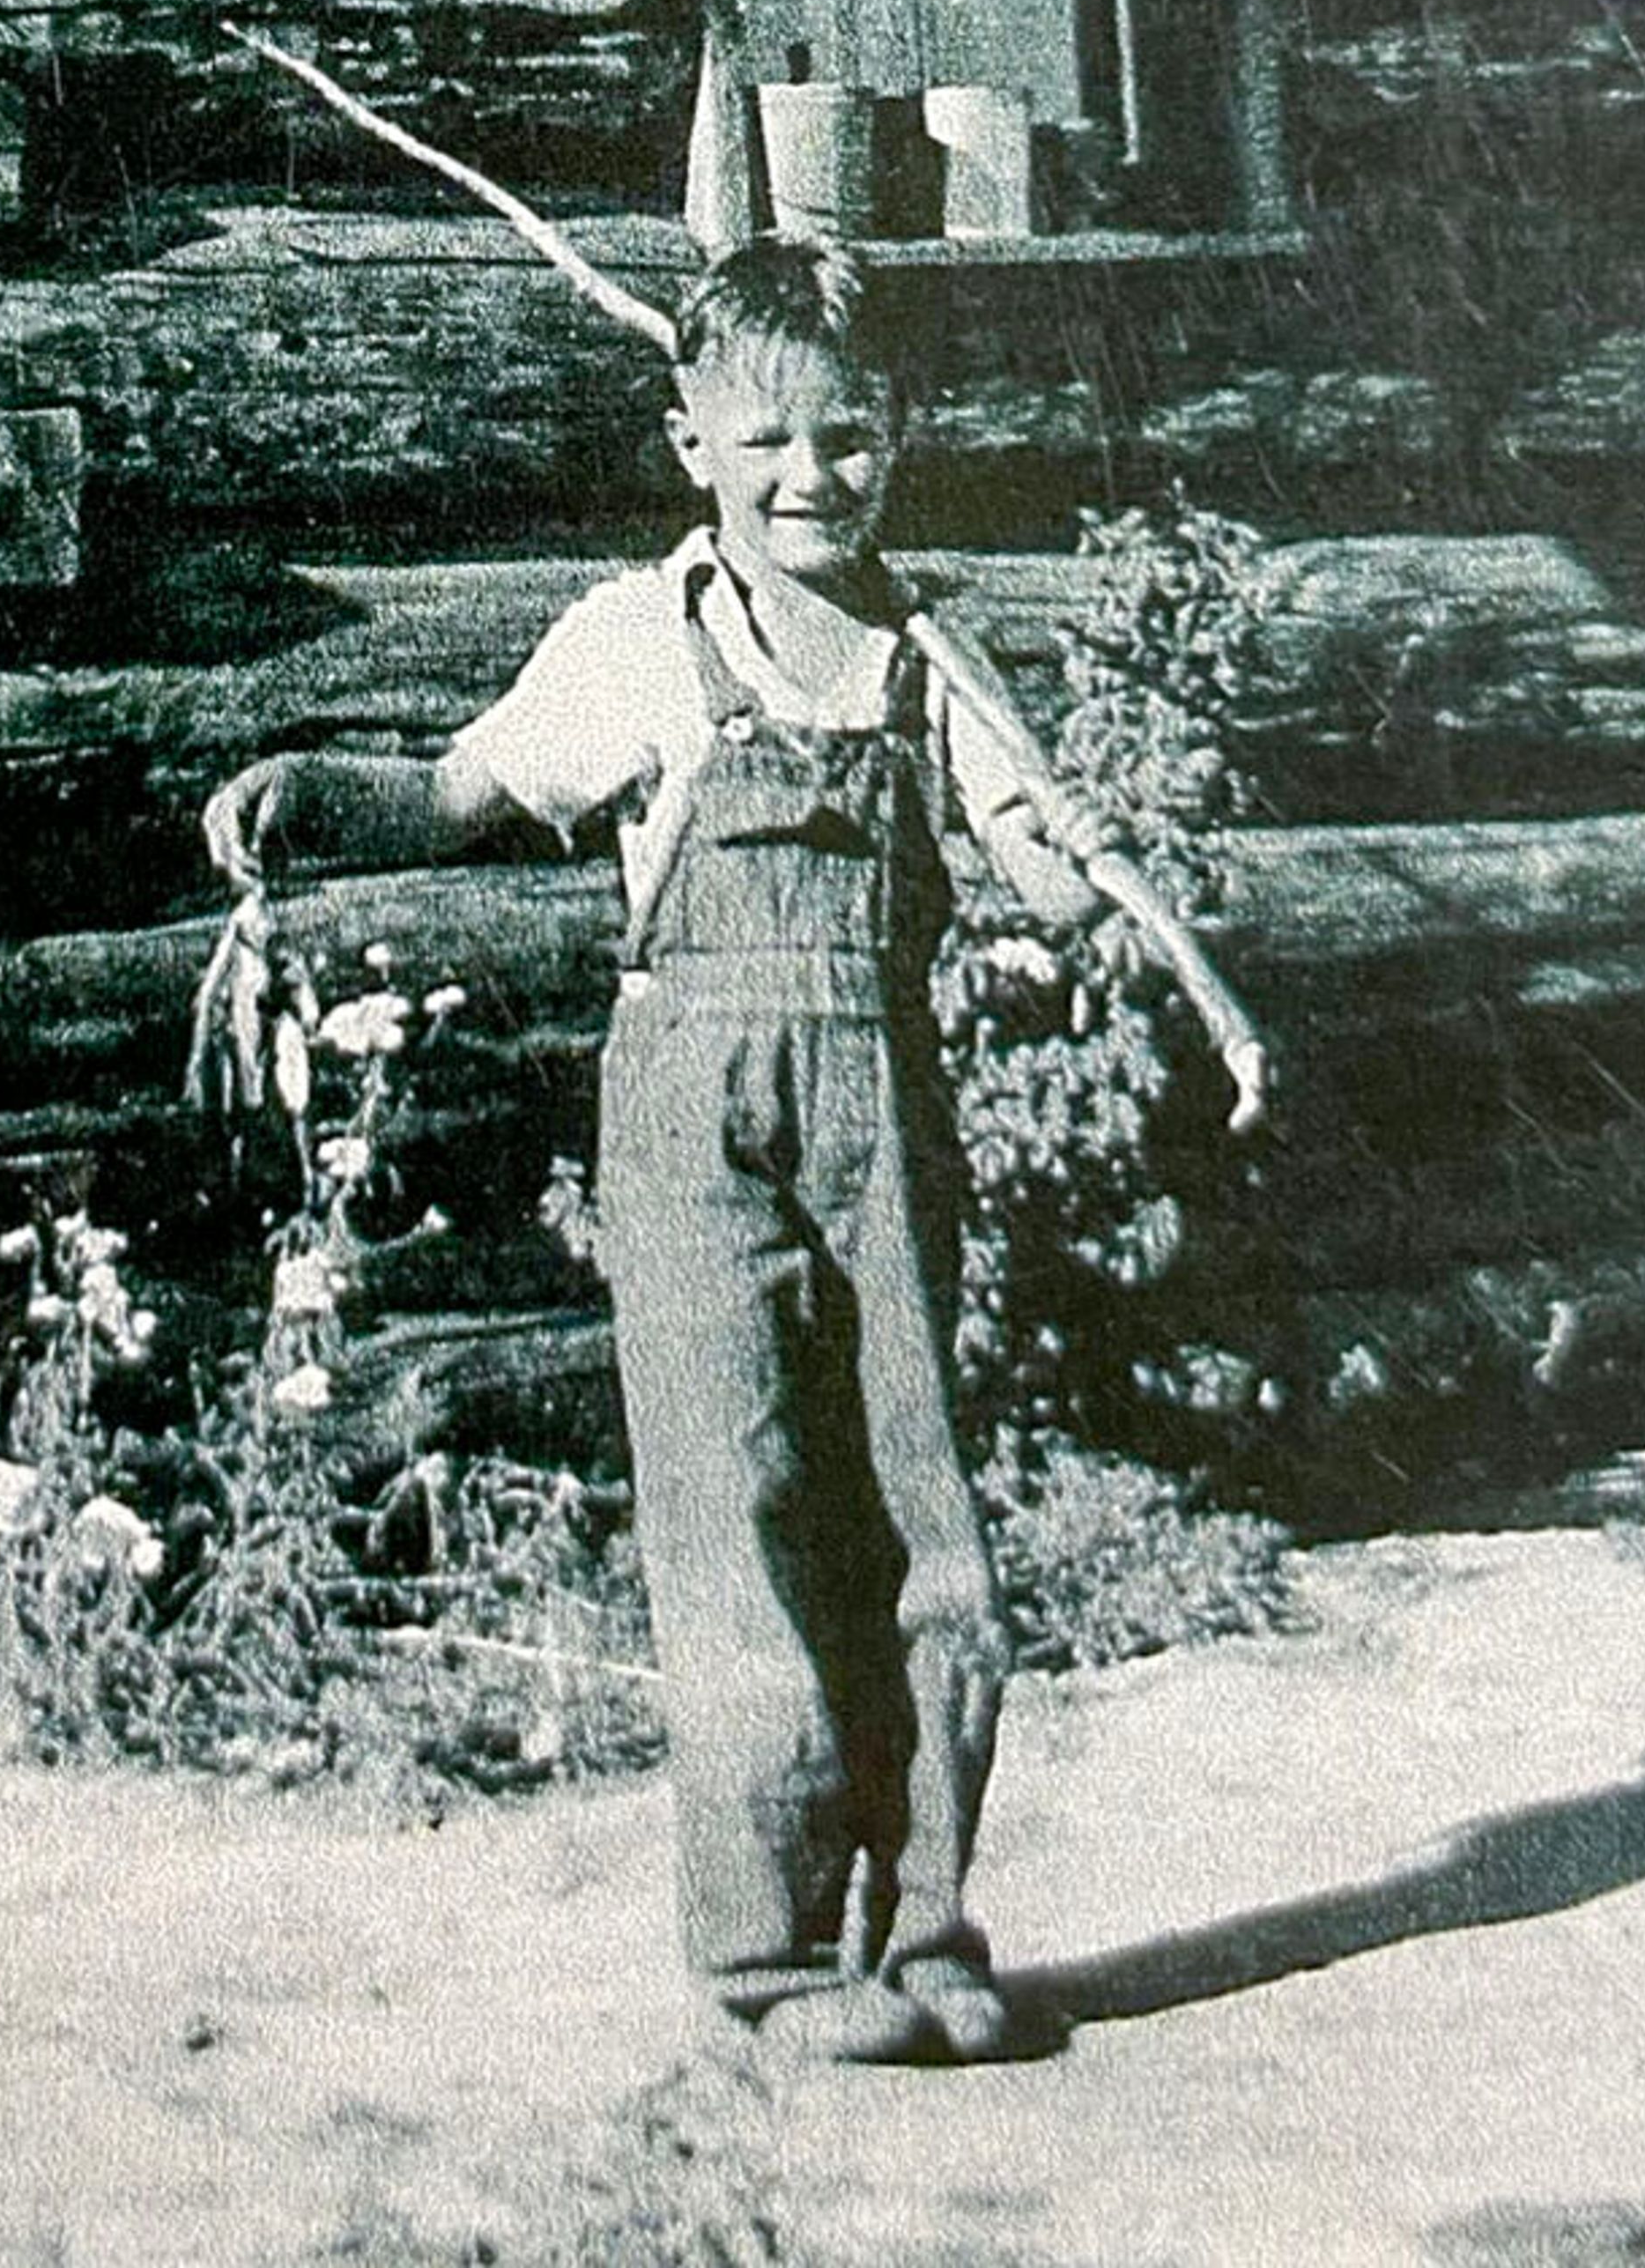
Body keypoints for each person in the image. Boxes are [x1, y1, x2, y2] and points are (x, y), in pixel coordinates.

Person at [203, 236, 1272, 2072]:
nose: (811, 477)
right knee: (737, 1513)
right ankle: (771, 1961)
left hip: (886, 1112)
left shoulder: (935, 666)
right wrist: (327, 793)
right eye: (766, 437)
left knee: (921, 1507)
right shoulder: (639, 638)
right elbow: (470, 788)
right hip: (691, 1114)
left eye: (848, 437)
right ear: (689, 438)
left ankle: (926, 1919)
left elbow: (1032, 869)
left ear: (899, 436)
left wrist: (1086, 880)